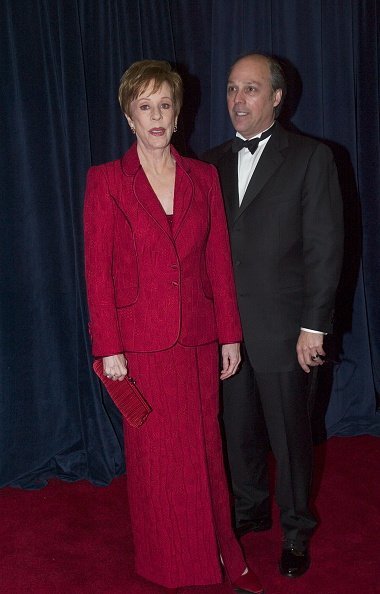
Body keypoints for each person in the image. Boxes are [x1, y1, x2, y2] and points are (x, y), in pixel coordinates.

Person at [84, 60, 264, 594]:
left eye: (165, 105)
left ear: (178, 112)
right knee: (157, 461)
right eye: (146, 107)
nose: (157, 116)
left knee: (207, 451)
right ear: (129, 116)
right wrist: (108, 348)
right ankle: (169, 563)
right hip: (140, 346)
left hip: (198, 342)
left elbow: (217, 263)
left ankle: (225, 556)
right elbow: (97, 273)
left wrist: (230, 333)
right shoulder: (106, 182)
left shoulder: (203, 177)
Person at [203, 53, 343, 578]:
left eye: (252, 89)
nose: (238, 100)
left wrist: (315, 325)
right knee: (236, 432)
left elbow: (325, 247)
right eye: (232, 88)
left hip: (288, 333)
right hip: (228, 333)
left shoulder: (312, 157)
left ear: (277, 99)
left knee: (290, 438)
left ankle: (297, 530)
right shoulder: (208, 162)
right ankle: (249, 510)